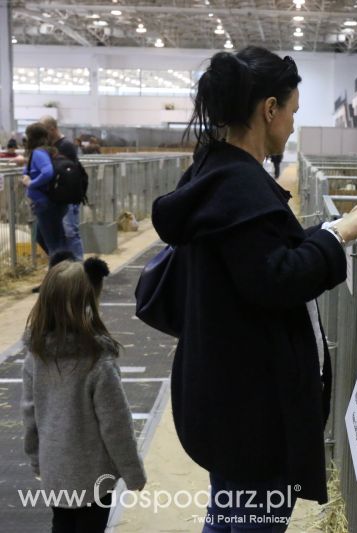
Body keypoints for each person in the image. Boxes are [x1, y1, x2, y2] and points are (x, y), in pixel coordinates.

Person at [151, 46, 357, 532]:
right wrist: (340, 234)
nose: (294, 125)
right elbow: (273, 278)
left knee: (228, 513)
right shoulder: (240, 185)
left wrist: (333, 227)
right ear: (269, 109)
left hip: (223, 388)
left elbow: (254, 257)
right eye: (293, 112)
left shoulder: (212, 174)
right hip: (252, 406)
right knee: (252, 518)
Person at [21, 257, 146, 533]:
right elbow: (116, 424)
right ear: (88, 302)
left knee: (61, 523)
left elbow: (29, 414)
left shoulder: (35, 356)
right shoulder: (97, 361)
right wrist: (132, 471)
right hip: (94, 476)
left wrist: (36, 458)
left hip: (54, 469)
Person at [21, 123, 68, 258]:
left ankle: (59, 273)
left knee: (54, 244)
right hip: (46, 203)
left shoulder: (38, 153)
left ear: (31, 137)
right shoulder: (44, 151)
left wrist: (31, 183)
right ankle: (64, 268)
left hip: (45, 204)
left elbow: (48, 172)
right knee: (44, 238)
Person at [41, 115, 84, 260]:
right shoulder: (54, 146)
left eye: (45, 131)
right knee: (54, 233)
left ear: (52, 129)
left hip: (68, 196)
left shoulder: (65, 145)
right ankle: (65, 264)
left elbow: (65, 170)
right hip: (59, 197)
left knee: (70, 231)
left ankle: (78, 266)